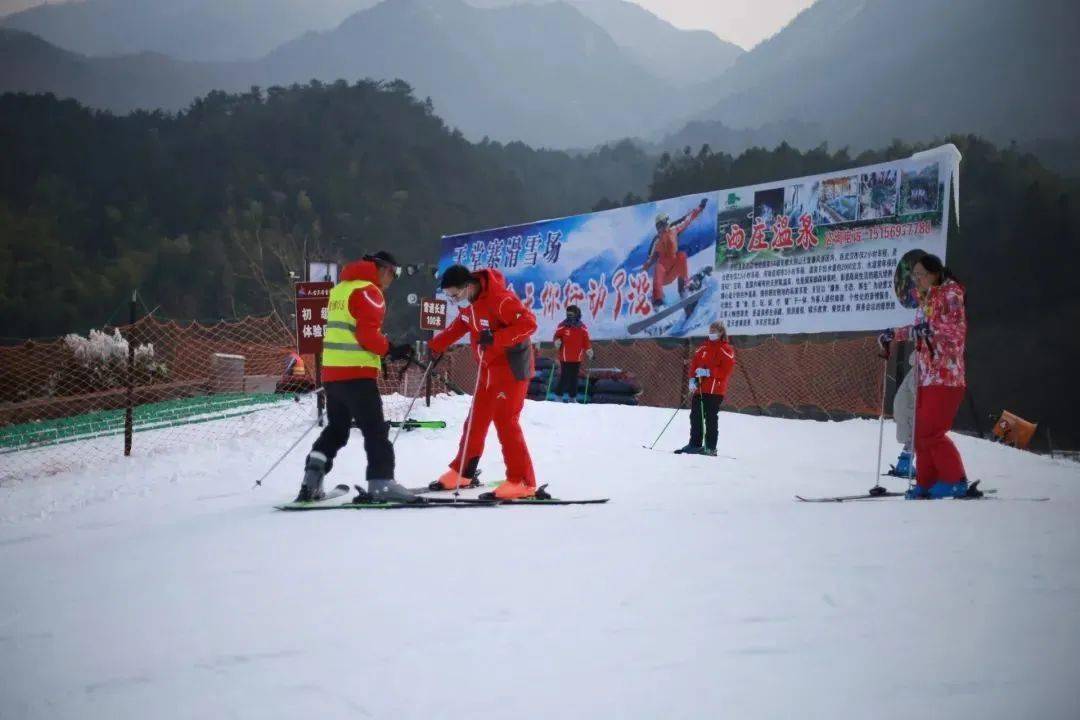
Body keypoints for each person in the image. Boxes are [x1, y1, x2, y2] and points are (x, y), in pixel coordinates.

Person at [296, 251, 417, 503]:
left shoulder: (340, 289)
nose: (391, 280)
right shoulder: (370, 292)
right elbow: (366, 336)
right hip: (357, 374)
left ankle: (311, 479)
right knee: (375, 430)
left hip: (332, 374)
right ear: (382, 269)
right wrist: (391, 349)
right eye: (393, 274)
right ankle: (382, 482)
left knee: (337, 430)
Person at [428, 264, 539, 500]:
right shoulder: (471, 306)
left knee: (506, 422)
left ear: (468, 285)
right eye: (450, 297)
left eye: (456, 295)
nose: (455, 300)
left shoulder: (501, 299)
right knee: (475, 421)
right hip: (487, 371)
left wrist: (497, 338)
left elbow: (529, 324)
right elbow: (457, 327)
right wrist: (434, 347)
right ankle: (463, 471)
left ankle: (523, 481)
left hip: (510, 369)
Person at [879, 253, 974, 499]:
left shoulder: (952, 294)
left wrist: (929, 329)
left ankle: (955, 479)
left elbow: (956, 329)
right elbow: (919, 330)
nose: (917, 280)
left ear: (935, 273)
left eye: (921, 275)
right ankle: (926, 481)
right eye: (914, 276)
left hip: (946, 374)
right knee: (920, 433)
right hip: (926, 374)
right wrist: (895, 334)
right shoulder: (927, 299)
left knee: (932, 432)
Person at [676, 321, 736, 456]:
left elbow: (727, 369)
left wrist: (710, 372)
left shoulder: (726, 349)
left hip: (714, 390)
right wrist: (692, 379)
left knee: (710, 418)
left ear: (721, 333)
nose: (712, 333)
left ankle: (710, 447)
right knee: (695, 416)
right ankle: (695, 444)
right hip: (700, 388)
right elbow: (694, 365)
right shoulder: (702, 348)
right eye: (710, 330)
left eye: (715, 331)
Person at [643, 197, 708, 307]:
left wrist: (700, 208)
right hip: (664, 275)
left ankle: (683, 290)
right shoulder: (656, 240)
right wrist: (644, 270)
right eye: (657, 226)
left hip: (674, 269)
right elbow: (650, 259)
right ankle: (658, 300)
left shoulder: (674, 229)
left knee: (681, 256)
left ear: (666, 222)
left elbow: (688, 219)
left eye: (661, 225)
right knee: (658, 267)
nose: (659, 229)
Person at [550, 304, 592, 403]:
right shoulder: (563, 325)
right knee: (564, 376)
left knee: (574, 378)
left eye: (571, 314)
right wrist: (557, 341)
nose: (569, 316)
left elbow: (586, 341)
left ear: (577, 314)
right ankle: (558, 396)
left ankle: (572, 397)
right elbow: (557, 336)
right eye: (568, 314)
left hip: (577, 357)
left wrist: (589, 350)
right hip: (565, 356)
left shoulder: (582, 328)